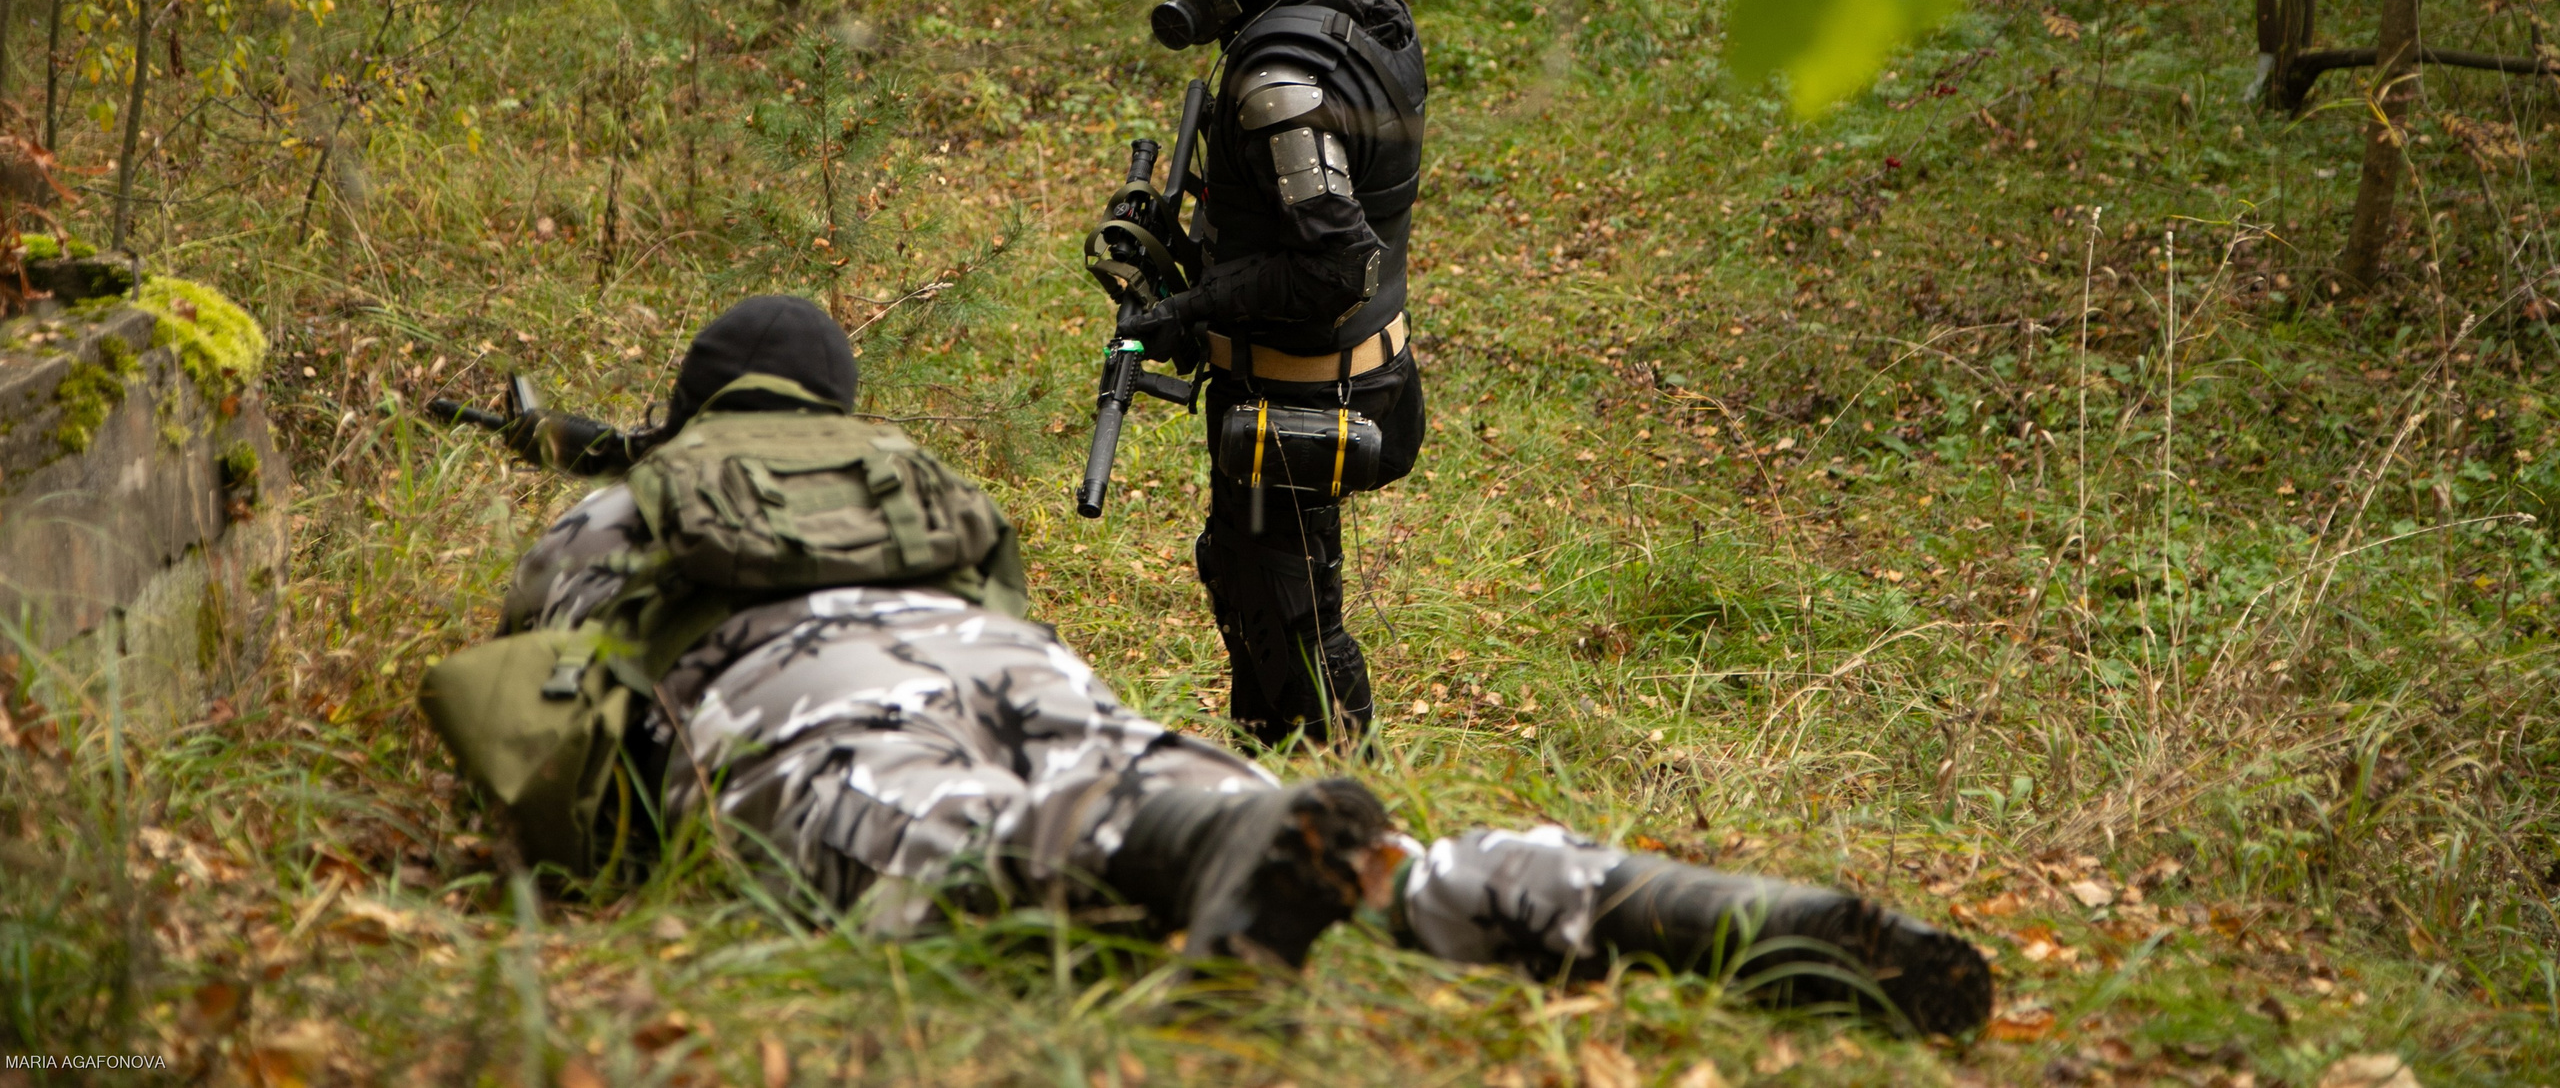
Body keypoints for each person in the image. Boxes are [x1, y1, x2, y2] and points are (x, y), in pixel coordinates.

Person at [429, 298, 1994, 1038]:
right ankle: (1680, 908)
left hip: (802, 693)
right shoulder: (913, 472)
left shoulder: (626, 498)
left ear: (698, 400)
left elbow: (551, 680)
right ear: (841, 397)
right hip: (1015, 660)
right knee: (1315, 840)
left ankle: (1184, 845)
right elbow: (1006, 596)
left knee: (943, 843)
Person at [1118, 0, 1429, 751]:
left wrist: (1196, 307)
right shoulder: (1365, 14)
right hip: (1352, 371)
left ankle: (1352, 799)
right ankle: (1262, 774)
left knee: (1293, 617)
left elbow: (1338, 264)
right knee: (1253, 583)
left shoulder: (1279, 77)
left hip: (1300, 392)